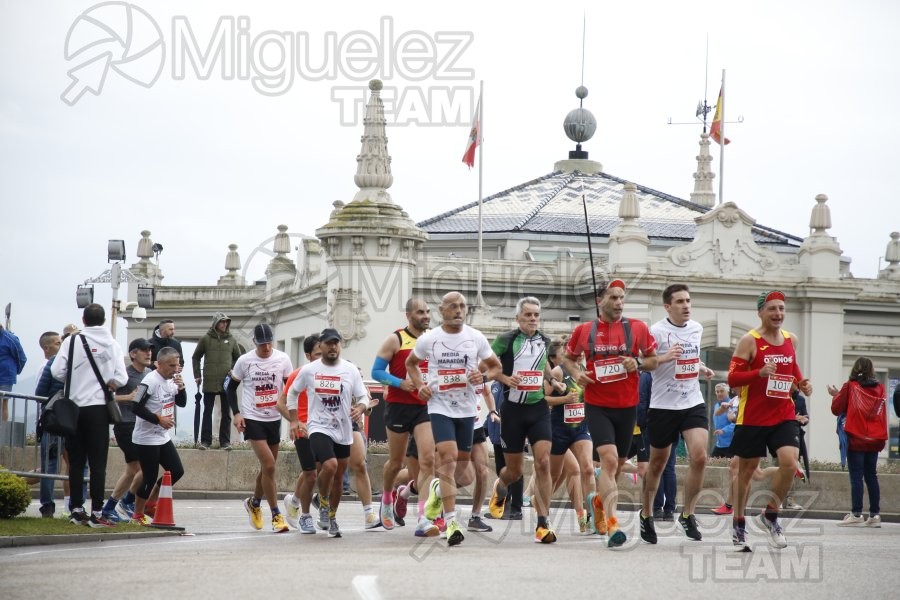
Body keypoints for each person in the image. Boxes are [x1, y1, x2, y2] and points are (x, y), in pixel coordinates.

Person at [561, 279, 658, 548]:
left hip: (627, 406)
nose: (618, 303)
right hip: (597, 404)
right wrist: (577, 373)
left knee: (615, 465)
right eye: (613, 298)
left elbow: (653, 360)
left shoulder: (637, 328)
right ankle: (613, 525)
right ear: (599, 300)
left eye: (621, 298)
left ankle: (599, 501)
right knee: (610, 460)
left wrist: (636, 362)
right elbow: (569, 359)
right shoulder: (584, 330)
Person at [406, 291, 502, 547]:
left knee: (463, 472)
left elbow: (496, 367)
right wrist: (420, 386)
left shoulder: (475, 337)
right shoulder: (431, 339)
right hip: (439, 407)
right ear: (442, 310)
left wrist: (483, 378)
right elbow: (411, 363)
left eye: (462, 306)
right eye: (453, 306)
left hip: (468, 410)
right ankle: (450, 522)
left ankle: (437, 491)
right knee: (446, 457)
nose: (459, 310)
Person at [727, 290, 813, 551]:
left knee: (789, 463)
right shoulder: (749, 341)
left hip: (783, 414)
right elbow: (732, 379)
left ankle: (770, 515)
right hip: (752, 415)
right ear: (761, 312)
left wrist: (802, 383)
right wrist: (758, 372)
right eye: (772, 309)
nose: (778, 314)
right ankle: (739, 525)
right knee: (746, 473)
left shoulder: (791, 339)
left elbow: (792, 368)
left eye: (781, 309)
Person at [640, 284, 715, 545]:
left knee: (700, 457)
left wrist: (702, 367)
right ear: (667, 306)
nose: (686, 306)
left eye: (688, 301)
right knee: (658, 464)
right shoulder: (656, 331)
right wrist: (664, 356)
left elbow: (690, 357)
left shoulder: (697, 328)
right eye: (680, 302)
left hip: (691, 401)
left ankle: (688, 514)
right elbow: (645, 363)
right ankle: (647, 514)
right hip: (663, 405)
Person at [487, 296, 564, 544]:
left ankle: (543, 524)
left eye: (536, 315)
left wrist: (553, 381)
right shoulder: (505, 340)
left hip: (538, 408)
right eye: (528, 315)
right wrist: (503, 378)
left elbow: (542, 367)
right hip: (513, 410)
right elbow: (485, 367)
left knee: (543, 462)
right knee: (515, 471)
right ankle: (501, 485)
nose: (533, 319)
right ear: (518, 317)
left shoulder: (544, 340)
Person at [286, 328, 369, 538]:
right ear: (320, 346)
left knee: (339, 476)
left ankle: (331, 517)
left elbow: (363, 396)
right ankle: (321, 503)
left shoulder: (349, 370)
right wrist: (295, 420)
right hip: (318, 427)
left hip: (343, 428)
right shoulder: (309, 370)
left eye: (336, 343)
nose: (332, 347)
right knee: (329, 465)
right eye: (328, 343)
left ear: (340, 345)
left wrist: (360, 407)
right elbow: (292, 393)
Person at [51, 304, 127, 527]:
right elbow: (120, 377)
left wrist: (75, 378)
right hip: (99, 409)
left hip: (74, 408)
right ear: (103, 321)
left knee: (75, 461)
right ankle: (97, 512)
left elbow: (57, 372)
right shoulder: (113, 344)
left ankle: (76, 509)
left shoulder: (71, 341)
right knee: (98, 463)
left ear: (83, 320)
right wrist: (109, 382)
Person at [370, 298, 437, 535]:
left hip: (424, 407)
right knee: (396, 462)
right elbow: (376, 372)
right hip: (399, 406)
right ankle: (387, 498)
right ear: (409, 315)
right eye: (421, 312)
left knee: (428, 459)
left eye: (428, 312)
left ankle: (424, 515)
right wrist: (400, 383)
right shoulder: (396, 339)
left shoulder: (434, 339)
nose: (426, 316)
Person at [226, 323, 294, 533]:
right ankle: (276, 515)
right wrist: (237, 414)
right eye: (262, 344)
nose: (266, 348)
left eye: (269, 344)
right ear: (255, 343)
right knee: (270, 465)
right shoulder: (245, 361)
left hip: (274, 418)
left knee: (268, 468)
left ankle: (254, 503)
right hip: (252, 418)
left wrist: (293, 416)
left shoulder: (283, 359)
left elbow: (289, 389)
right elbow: (229, 387)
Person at [130, 347, 187, 525]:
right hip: (146, 437)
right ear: (159, 364)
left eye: (177, 365)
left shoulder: (172, 380)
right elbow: (135, 407)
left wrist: (182, 387)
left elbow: (182, 403)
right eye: (171, 365)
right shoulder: (150, 381)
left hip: (162, 436)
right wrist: (158, 419)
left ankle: (151, 502)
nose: (174, 369)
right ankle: (137, 514)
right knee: (149, 476)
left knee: (176, 471)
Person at [828, 357, 887, 528]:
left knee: (856, 476)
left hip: (857, 437)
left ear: (854, 370)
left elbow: (836, 409)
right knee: (871, 475)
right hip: (875, 438)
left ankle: (856, 514)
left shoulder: (850, 386)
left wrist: (836, 395)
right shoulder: (880, 388)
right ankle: (875, 516)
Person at [545, 340, 595, 536]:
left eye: (583, 352)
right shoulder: (558, 372)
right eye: (576, 352)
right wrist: (564, 400)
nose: (581, 355)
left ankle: (590, 517)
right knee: (555, 476)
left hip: (580, 428)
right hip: (558, 429)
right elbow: (543, 399)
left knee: (588, 468)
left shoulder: (585, 370)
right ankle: (543, 514)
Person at [100, 338, 153, 523]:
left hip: (141, 426)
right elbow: (106, 396)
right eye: (144, 350)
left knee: (132, 470)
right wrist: (128, 397)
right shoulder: (124, 374)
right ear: (133, 354)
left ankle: (109, 508)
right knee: (146, 468)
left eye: (150, 350)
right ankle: (127, 501)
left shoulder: (149, 373)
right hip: (124, 425)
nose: (148, 353)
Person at [279, 334, 322, 533]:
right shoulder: (299, 374)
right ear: (307, 355)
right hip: (304, 431)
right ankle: (304, 514)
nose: (322, 358)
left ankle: (294, 501)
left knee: (315, 470)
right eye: (317, 354)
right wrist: (296, 422)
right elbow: (280, 404)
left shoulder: (331, 372)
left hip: (323, 429)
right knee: (311, 474)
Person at [192, 312, 241, 450]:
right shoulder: (205, 339)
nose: (224, 324)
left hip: (226, 382)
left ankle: (225, 442)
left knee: (227, 412)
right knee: (207, 411)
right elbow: (196, 357)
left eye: (226, 322)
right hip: (209, 380)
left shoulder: (232, 340)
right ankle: (205, 442)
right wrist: (197, 375)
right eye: (222, 322)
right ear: (215, 323)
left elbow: (239, 358)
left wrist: (233, 371)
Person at [34, 330, 62, 518]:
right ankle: (47, 506)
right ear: (47, 347)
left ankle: (74, 505)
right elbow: (39, 393)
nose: (61, 346)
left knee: (75, 465)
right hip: (53, 420)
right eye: (58, 343)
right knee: (50, 465)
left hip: (59, 419)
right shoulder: (49, 365)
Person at [0, 322, 27, 422]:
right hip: (7, 374)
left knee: (3, 403)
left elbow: (22, 358)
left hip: (5, 377)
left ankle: (2, 431)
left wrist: (15, 371)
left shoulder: (10, 339)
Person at [711, 383, 736, 459]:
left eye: (722, 391)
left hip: (731, 444)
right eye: (717, 392)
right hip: (719, 443)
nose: (719, 393)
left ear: (727, 392)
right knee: (711, 464)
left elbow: (736, 423)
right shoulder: (716, 406)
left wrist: (723, 430)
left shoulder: (732, 404)